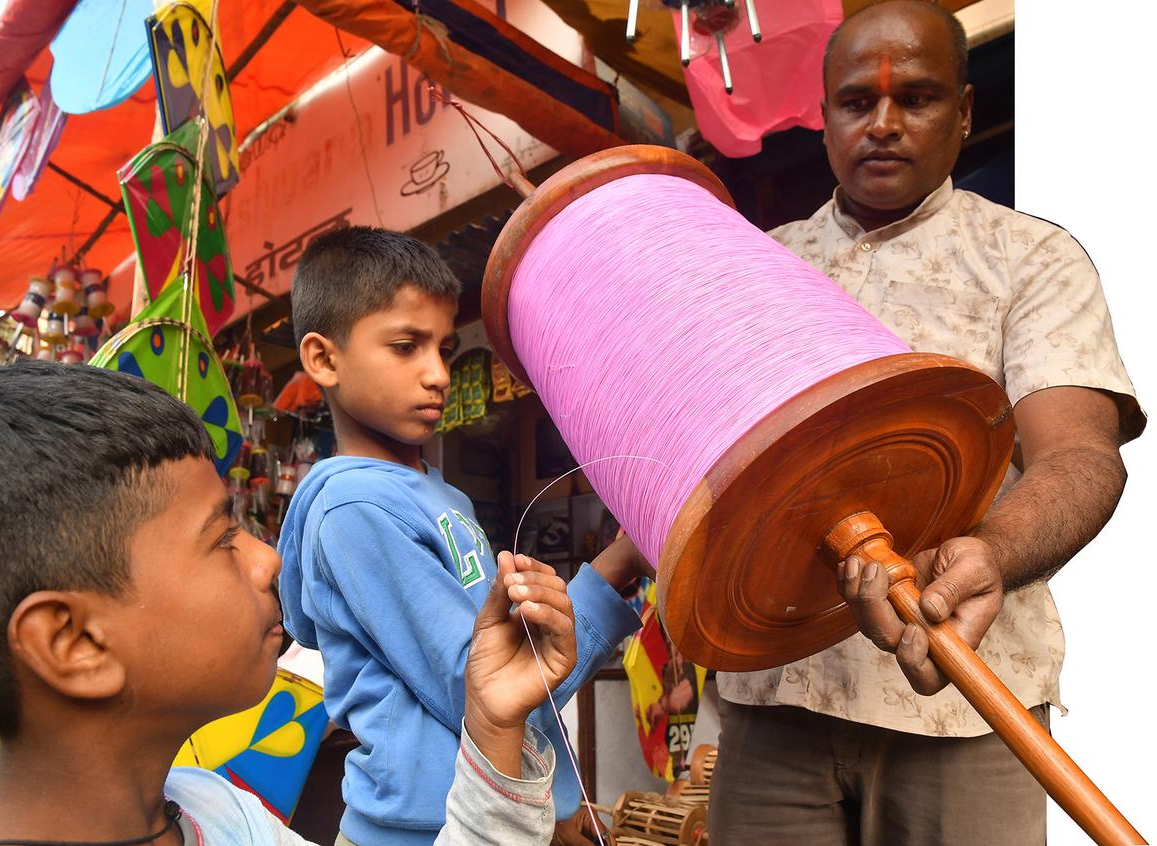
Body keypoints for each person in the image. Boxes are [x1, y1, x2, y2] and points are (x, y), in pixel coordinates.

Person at [709, 2, 1145, 844]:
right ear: (824, 117)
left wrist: (990, 556)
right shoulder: (759, 267)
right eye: (855, 103)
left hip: (967, 702)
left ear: (965, 112)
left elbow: (1081, 458)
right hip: (775, 706)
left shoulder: (1032, 260)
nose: (883, 124)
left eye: (916, 98)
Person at [0, 360, 582, 846]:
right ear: (74, 643)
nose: (269, 559)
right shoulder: (351, 506)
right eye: (222, 538)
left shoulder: (219, 813)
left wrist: (494, 727)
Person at [279, 227, 648, 846]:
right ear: (324, 359)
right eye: (405, 346)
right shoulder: (356, 507)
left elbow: (495, 682)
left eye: (443, 349)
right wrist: (616, 566)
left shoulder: (435, 493)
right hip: (420, 829)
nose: (438, 374)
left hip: (485, 811)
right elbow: (482, 684)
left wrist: (548, 803)